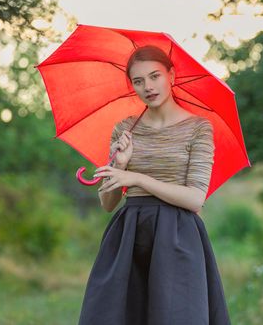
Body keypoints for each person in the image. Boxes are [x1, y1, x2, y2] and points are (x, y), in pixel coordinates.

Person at [77, 45, 231, 325]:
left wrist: (137, 179)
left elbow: (195, 199)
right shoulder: (125, 129)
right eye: (138, 81)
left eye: (154, 76)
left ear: (171, 76)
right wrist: (120, 165)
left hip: (178, 236)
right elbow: (108, 203)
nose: (148, 86)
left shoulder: (198, 128)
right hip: (128, 234)